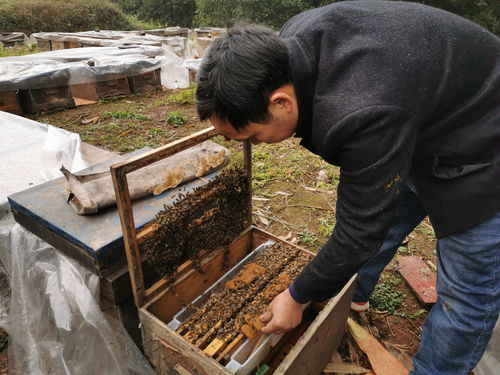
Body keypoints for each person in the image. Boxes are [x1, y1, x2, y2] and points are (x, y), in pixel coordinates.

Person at [195, 1, 500, 374]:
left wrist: (297, 295)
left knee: (468, 297)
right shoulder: (293, 48)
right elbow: (369, 205)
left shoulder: (363, 111)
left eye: (254, 137)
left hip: (487, 144)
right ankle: (350, 297)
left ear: (280, 102)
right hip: (420, 116)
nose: (255, 145)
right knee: (382, 211)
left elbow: (358, 232)